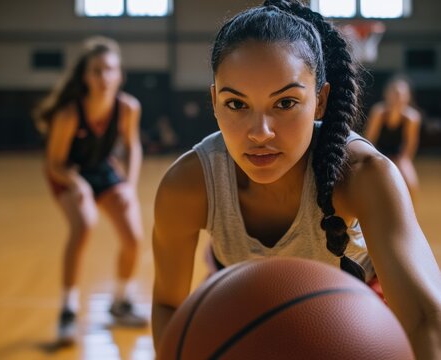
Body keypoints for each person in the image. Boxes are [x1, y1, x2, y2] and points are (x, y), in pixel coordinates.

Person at [151, 1, 441, 358]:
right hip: (246, 305)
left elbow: (425, 320)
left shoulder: (364, 175)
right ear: (214, 101)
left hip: (362, 320)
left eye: (285, 103)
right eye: (237, 104)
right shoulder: (187, 185)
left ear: (320, 101)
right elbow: (168, 305)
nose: (260, 133)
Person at [33, 36, 147, 345]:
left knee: (134, 237)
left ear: (119, 74)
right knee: (84, 225)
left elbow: (133, 147)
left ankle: (121, 303)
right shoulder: (69, 114)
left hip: (102, 169)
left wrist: (128, 186)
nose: (103, 77)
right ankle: (68, 310)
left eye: (109, 70)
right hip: (67, 173)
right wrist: (77, 183)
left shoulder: (127, 108)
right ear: (85, 76)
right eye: (96, 70)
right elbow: (54, 163)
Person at [365, 75, 421, 203]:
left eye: (401, 94)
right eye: (395, 94)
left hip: (399, 155)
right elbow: (369, 141)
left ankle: (407, 214)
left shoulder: (412, 118)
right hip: (378, 152)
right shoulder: (378, 112)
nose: (398, 98)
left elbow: (410, 146)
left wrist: (402, 162)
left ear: (408, 97)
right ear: (387, 94)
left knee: (411, 182)